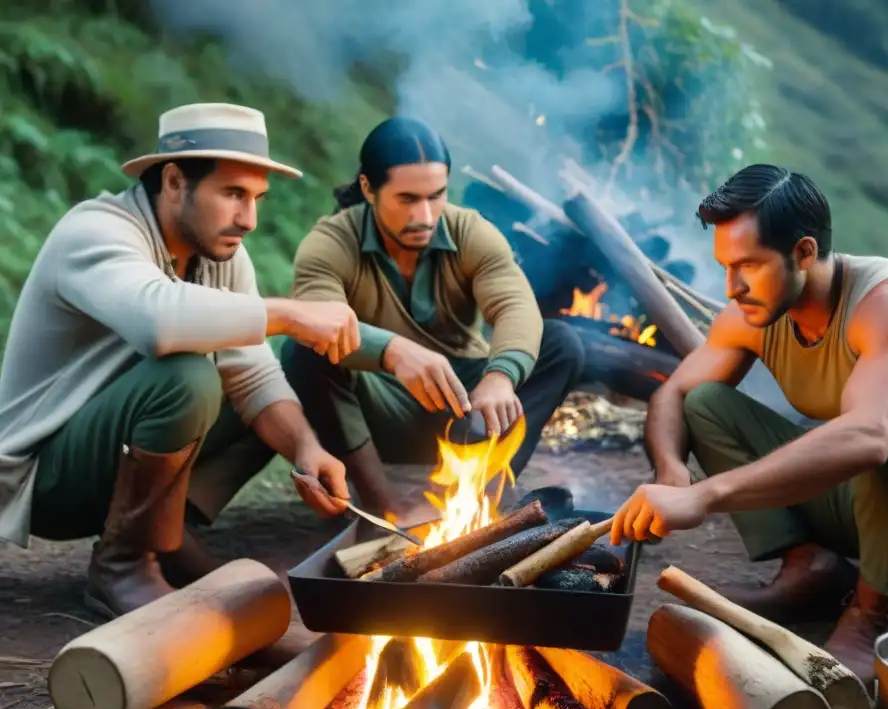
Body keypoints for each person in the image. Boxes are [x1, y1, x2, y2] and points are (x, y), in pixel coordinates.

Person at [610, 163, 888, 681]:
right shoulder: (753, 313)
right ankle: (812, 568)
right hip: (855, 501)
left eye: (748, 266)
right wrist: (671, 471)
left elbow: (870, 437)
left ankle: (875, 615)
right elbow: (675, 394)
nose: (731, 287)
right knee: (706, 402)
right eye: (725, 267)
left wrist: (705, 497)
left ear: (803, 252)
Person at [0, 102, 362, 618]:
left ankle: (166, 541)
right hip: (48, 475)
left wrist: (306, 449)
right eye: (233, 194)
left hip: (116, 451)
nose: (250, 219)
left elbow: (252, 371)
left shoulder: (219, 253)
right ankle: (123, 564)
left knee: (253, 387)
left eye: (257, 197)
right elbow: (160, 324)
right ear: (174, 181)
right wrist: (291, 314)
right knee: (188, 375)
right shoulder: (95, 231)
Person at [280, 117, 585, 526]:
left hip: (464, 408)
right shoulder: (330, 243)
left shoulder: (471, 231)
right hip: (375, 409)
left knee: (562, 343)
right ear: (369, 188)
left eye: (436, 196)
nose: (424, 215)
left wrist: (500, 377)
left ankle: (473, 496)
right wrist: (391, 352)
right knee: (302, 348)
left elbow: (515, 305)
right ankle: (381, 506)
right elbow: (315, 321)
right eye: (407, 199)